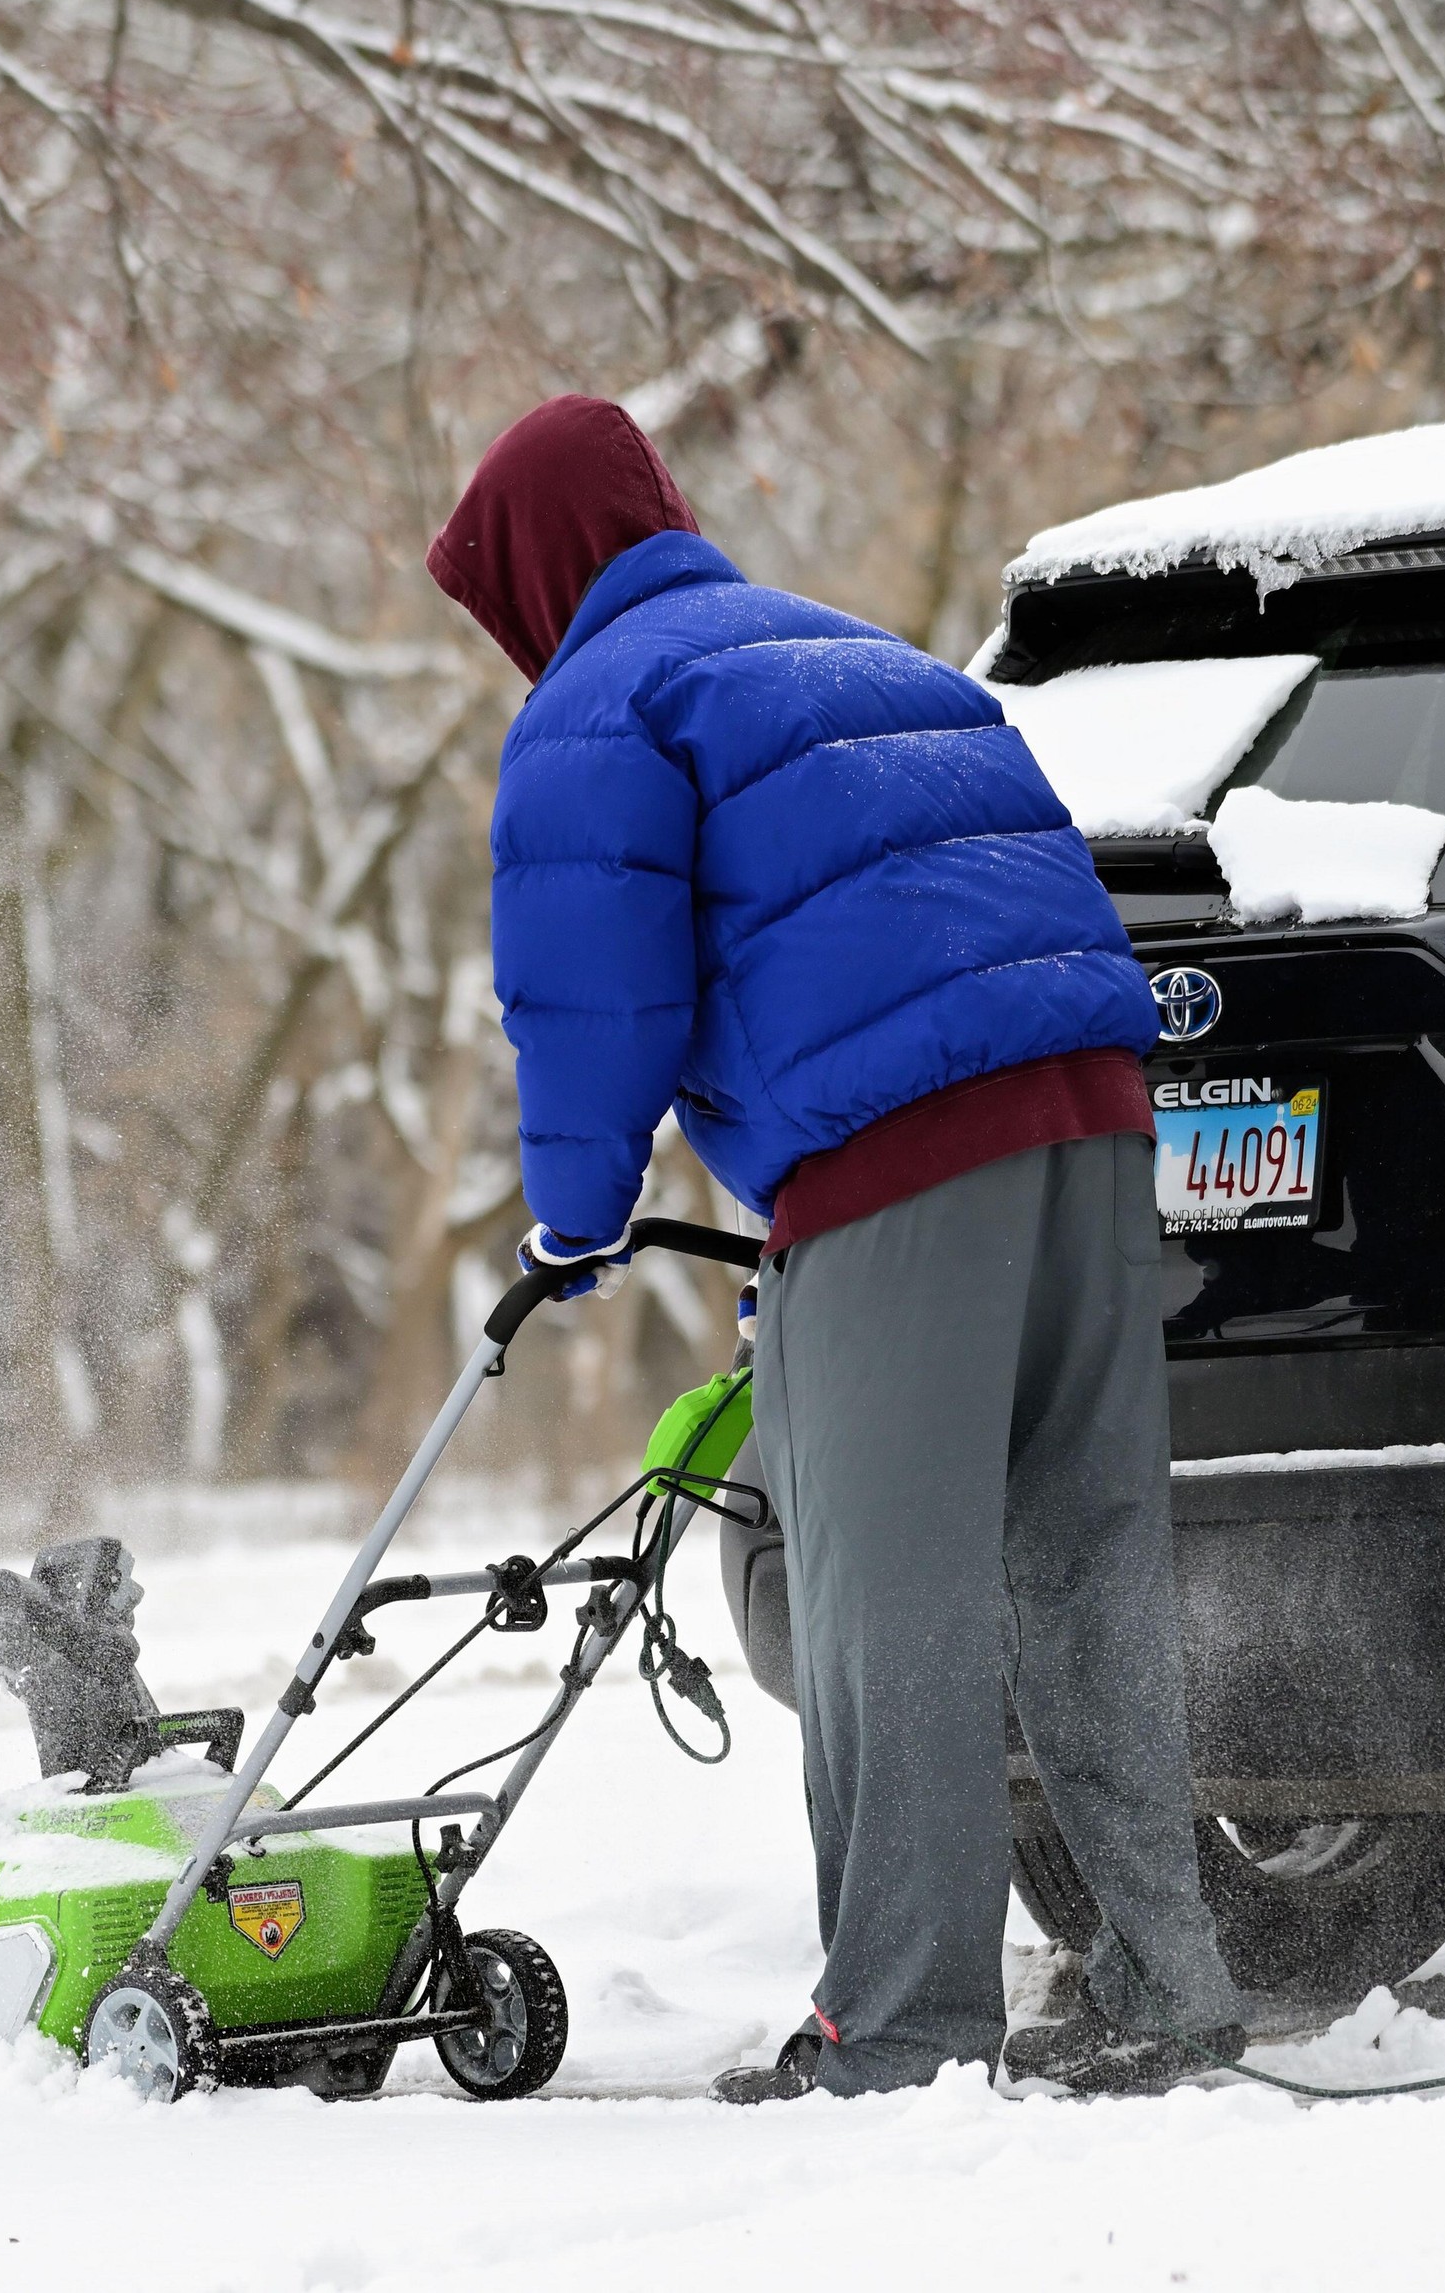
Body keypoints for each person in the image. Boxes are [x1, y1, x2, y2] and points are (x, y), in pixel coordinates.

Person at [424, 395, 1249, 2100]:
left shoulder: (602, 699)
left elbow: (594, 998)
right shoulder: (853, 651)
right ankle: (1174, 1983)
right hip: (1095, 1125)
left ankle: (905, 2021)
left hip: (897, 1161)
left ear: (534, 567)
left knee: (893, 1603)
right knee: (1090, 1567)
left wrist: (574, 1219)